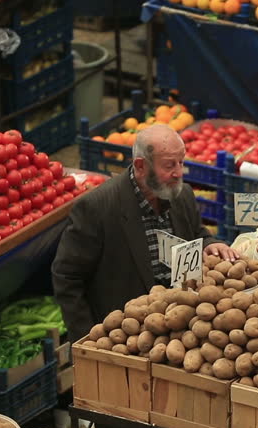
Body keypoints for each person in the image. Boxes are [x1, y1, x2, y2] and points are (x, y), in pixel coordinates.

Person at [52, 124, 238, 342]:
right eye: (169, 165)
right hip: (125, 336)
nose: (178, 173)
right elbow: (67, 276)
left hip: (179, 326)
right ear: (140, 166)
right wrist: (87, 340)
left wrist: (209, 243)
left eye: (181, 162)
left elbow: (196, 233)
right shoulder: (96, 207)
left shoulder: (182, 194)